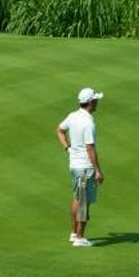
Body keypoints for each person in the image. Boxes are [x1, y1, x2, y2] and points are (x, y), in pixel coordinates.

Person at [55, 88, 104, 248]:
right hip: (85, 167)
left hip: (74, 165)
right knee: (84, 202)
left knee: (77, 198)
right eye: (95, 100)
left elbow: (60, 130)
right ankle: (80, 238)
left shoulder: (73, 116)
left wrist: (68, 148)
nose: (97, 102)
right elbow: (90, 148)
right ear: (90, 102)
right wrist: (97, 170)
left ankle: (74, 233)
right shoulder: (88, 122)